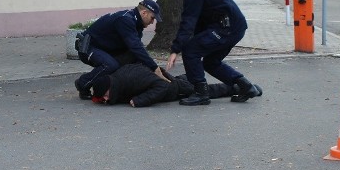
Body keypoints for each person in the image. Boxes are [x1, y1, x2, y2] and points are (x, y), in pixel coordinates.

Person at [159, 0, 262, 105]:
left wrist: (175, 50)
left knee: (190, 50)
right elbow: (200, 20)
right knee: (210, 62)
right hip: (235, 27)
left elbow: (188, 23)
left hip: (227, 29)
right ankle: (246, 87)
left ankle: (201, 93)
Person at [74, 0, 165, 99]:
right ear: (144, 13)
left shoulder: (137, 24)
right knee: (110, 65)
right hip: (88, 48)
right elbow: (136, 47)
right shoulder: (125, 20)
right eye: (152, 18)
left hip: (104, 49)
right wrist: (154, 68)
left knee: (133, 58)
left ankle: (116, 87)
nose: (152, 22)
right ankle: (82, 83)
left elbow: (136, 50)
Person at [89, 63, 249, 107]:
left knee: (204, 91)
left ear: (110, 87)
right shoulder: (120, 81)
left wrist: (140, 101)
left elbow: (162, 87)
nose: (105, 99)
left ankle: (239, 88)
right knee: (183, 80)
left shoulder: (132, 79)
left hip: (172, 88)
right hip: (166, 80)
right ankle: (191, 76)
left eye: (105, 95)